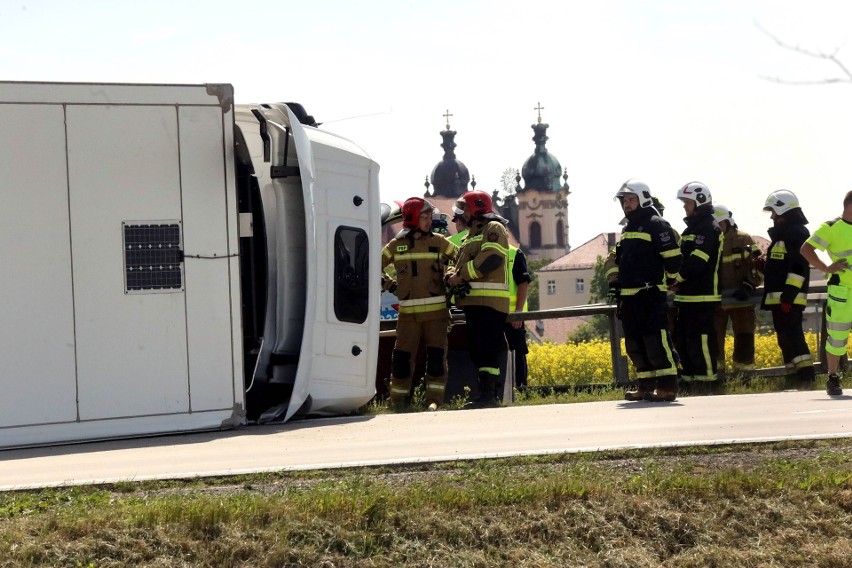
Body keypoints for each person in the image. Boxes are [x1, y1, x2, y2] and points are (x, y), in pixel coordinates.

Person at [381, 197, 458, 411]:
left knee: (436, 358)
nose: (429, 221)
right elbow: (372, 265)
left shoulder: (439, 241)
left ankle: (434, 400)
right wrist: (388, 284)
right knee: (402, 359)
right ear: (413, 218)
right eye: (425, 217)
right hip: (408, 317)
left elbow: (459, 260)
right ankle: (398, 401)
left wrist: (452, 273)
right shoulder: (396, 245)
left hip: (437, 315)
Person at [609, 180, 682, 402]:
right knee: (634, 344)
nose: (627, 204)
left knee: (656, 341)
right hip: (630, 297)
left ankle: (668, 387)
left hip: (650, 296)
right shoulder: (628, 228)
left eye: (631, 200)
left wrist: (670, 281)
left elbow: (673, 257)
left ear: (643, 199)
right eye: (624, 201)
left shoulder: (656, 224)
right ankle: (646, 386)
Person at [445, 190, 511, 408]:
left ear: (476, 207)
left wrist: (461, 276)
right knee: (477, 348)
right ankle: (484, 393)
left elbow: (491, 259)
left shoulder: (493, 228)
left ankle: (490, 396)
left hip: (490, 304)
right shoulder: (470, 235)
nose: (461, 213)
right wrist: (450, 276)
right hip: (474, 304)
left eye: (464, 208)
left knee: (487, 348)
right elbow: (458, 265)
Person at [670, 182, 723, 392]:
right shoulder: (691, 229)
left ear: (699, 201)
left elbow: (697, 262)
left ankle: (708, 383)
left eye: (687, 202)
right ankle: (692, 382)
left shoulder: (710, 228)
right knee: (684, 341)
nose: (684, 206)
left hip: (703, 297)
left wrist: (677, 279)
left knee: (701, 341)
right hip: (686, 298)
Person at [760, 190, 816, 389]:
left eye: (774, 211)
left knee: (794, 337)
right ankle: (793, 377)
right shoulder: (783, 234)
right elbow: (780, 264)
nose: (773, 216)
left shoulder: (797, 232)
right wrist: (763, 266)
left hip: (789, 298)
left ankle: (806, 377)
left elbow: (798, 266)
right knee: (785, 339)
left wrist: (788, 296)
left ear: (783, 209)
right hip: (781, 298)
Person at [800, 190, 852, 396]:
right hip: (842, 291)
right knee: (837, 337)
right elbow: (806, 249)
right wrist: (826, 268)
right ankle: (833, 377)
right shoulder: (831, 228)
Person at [712, 205, 764, 376]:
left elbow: (759, 265)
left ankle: (744, 376)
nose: (716, 227)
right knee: (714, 340)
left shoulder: (743, 239)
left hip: (742, 300)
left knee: (744, 338)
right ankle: (717, 377)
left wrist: (749, 285)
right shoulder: (708, 242)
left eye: (719, 223)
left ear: (727, 222)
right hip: (716, 301)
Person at [505, 245, 532, 394]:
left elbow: (523, 283)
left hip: (513, 316)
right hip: (494, 315)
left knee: (518, 353)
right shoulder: (485, 250)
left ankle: (521, 389)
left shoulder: (514, 253)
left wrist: (518, 313)